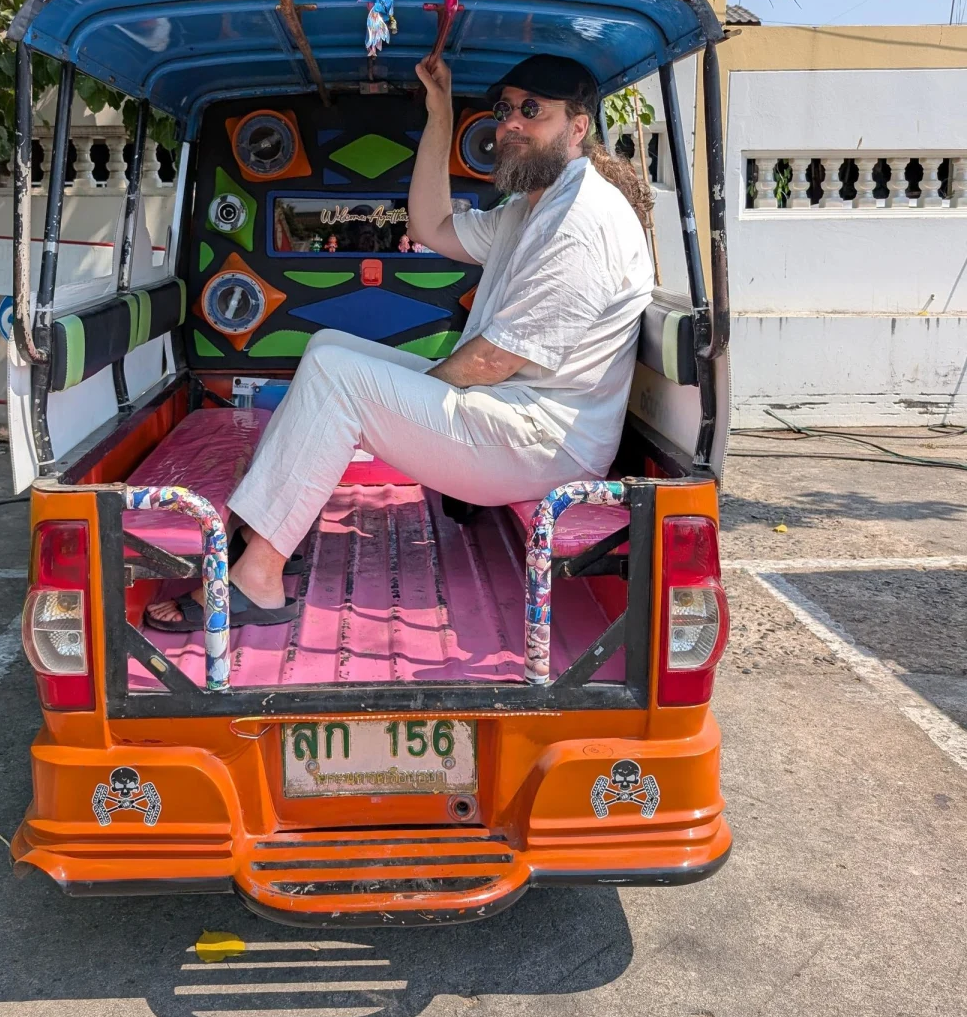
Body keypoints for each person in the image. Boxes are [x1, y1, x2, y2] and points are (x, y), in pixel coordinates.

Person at [150, 51, 655, 628]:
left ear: (578, 126)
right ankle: (256, 528)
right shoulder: (534, 207)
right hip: (512, 413)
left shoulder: (581, 221)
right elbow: (430, 227)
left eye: (532, 110)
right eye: (505, 109)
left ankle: (257, 577)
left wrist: (399, 405)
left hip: (548, 445)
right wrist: (440, 113)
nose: (511, 122)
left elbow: (492, 361)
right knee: (328, 349)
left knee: (344, 383)